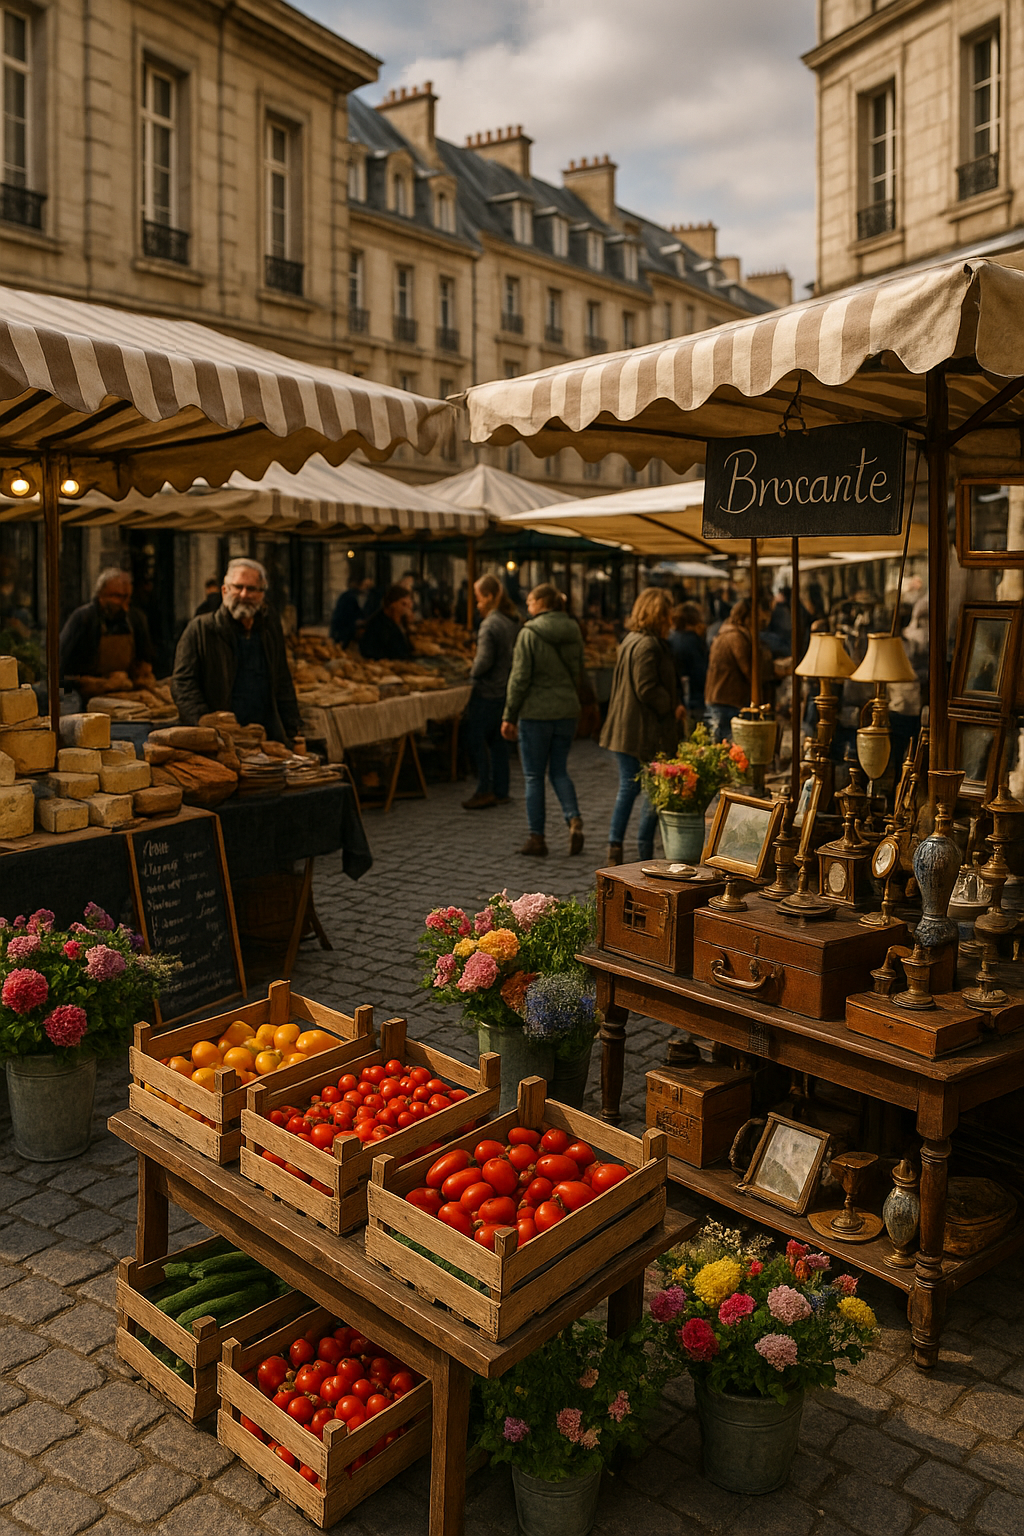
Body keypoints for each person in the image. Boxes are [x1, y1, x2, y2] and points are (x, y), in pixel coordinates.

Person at [171, 558, 300, 745]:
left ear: (262, 594)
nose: (244, 594)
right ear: (224, 591)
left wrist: (291, 727)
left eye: (252, 589)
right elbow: (182, 683)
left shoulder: (269, 629)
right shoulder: (200, 629)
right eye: (237, 587)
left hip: (266, 737)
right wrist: (203, 721)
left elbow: (282, 679)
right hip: (221, 740)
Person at [601, 588, 685, 866]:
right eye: (668, 612)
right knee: (648, 788)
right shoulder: (647, 645)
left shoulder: (632, 640)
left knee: (632, 787)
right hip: (639, 730)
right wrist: (670, 706)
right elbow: (646, 687)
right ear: (658, 615)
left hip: (627, 727)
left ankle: (617, 847)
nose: (671, 618)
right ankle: (641, 850)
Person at [501, 583, 585, 857]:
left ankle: (537, 838)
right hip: (566, 710)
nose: (527, 606)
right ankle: (573, 819)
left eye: (530, 601)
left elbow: (519, 678)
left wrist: (509, 715)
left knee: (534, 776)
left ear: (542, 603)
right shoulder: (573, 629)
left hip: (535, 713)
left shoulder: (529, 633)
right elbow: (578, 672)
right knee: (559, 770)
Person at [462, 574, 520, 810]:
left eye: (478, 598)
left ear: (488, 596)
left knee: (476, 738)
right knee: (498, 742)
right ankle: (501, 790)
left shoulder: (490, 624)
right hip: (505, 689)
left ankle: (484, 789)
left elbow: (483, 661)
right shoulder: (511, 620)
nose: (477, 604)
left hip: (487, 691)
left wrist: (472, 674)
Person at [59, 566, 156, 693]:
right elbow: (60, 669)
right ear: (101, 595)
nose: (124, 606)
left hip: (124, 691)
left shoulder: (135, 619)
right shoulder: (83, 619)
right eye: (118, 597)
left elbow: (145, 659)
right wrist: (97, 683)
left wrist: (141, 672)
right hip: (86, 695)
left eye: (127, 598)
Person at [704, 597, 771, 742]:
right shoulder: (736, 636)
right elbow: (748, 669)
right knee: (726, 745)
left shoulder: (728, 632)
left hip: (722, 698)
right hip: (726, 699)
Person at [667, 602, 708, 722]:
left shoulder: (670, 638)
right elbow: (700, 673)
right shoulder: (692, 641)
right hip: (694, 699)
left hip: (677, 698)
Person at [359, 584, 414, 661]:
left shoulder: (400, 620)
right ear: (392, 604)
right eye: (403, 604)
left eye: (409, 604)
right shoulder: (378, 624)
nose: (407, 609)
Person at [330, 575, 374, 647]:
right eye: (365, 585)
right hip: (345, 632)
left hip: (346, 631)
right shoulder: (349, 597)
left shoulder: (351, 596)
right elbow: (343, 616)